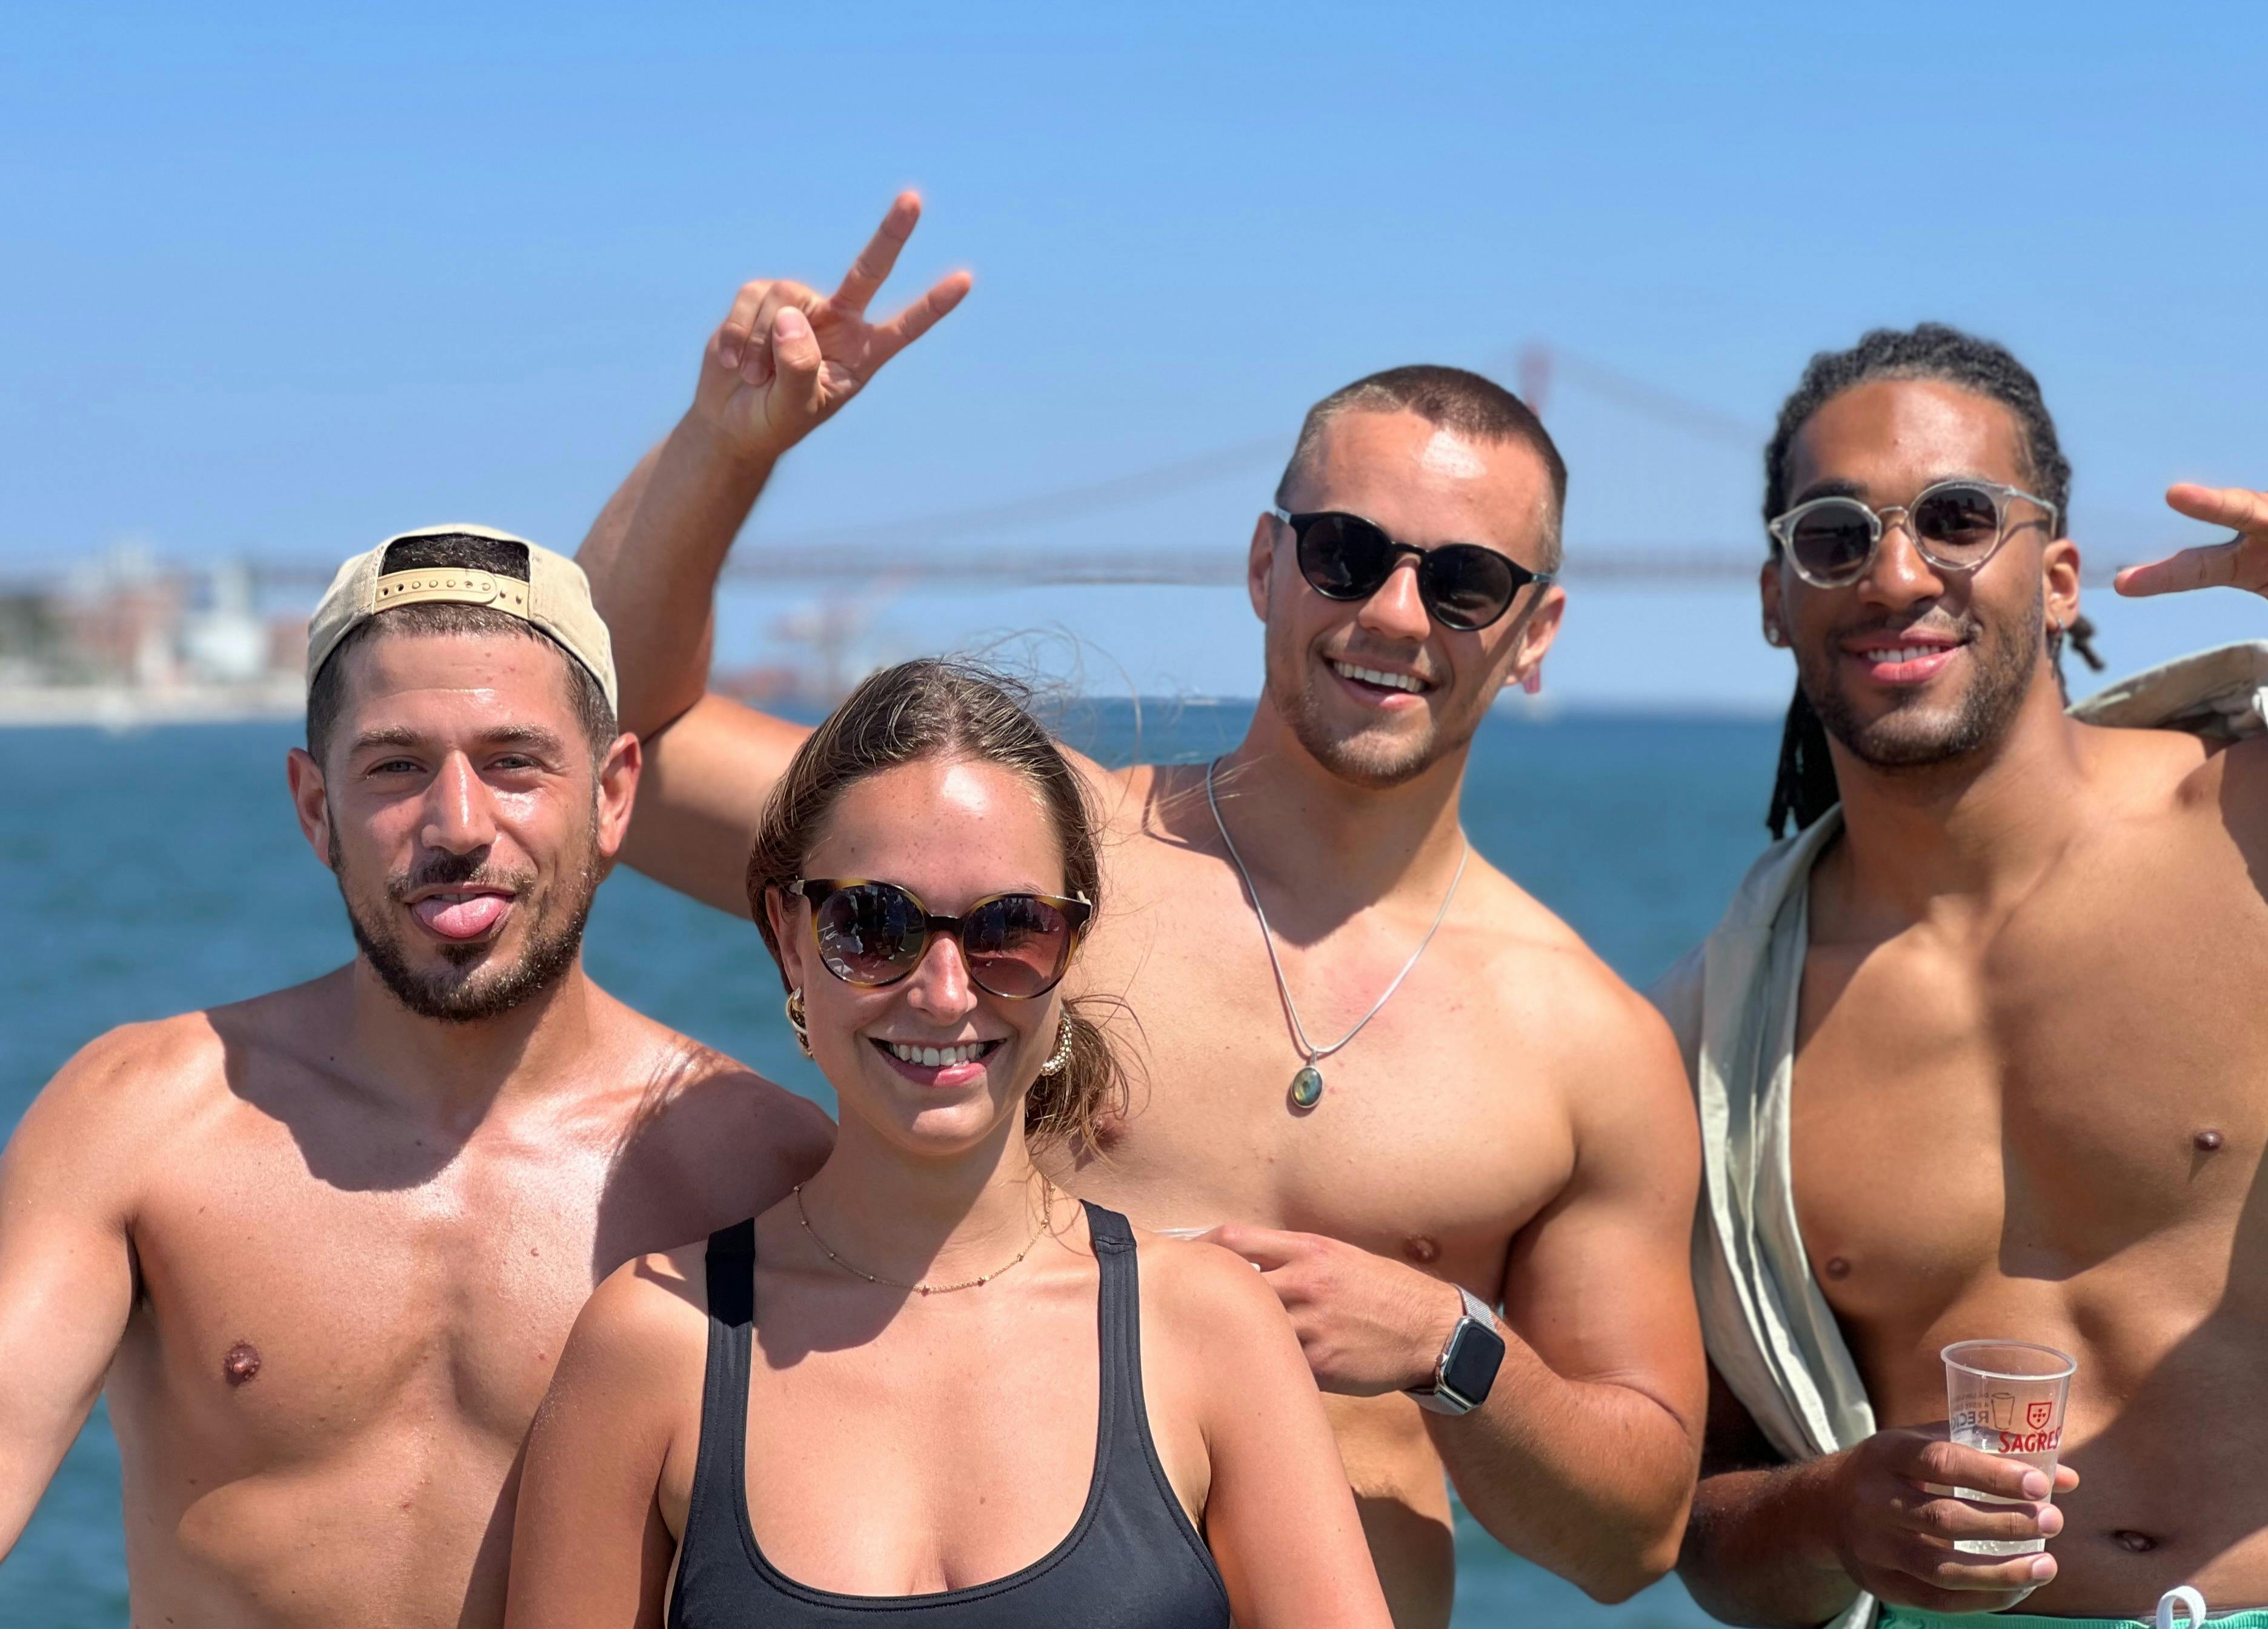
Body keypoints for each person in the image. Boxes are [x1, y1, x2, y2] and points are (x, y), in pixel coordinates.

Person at [569, 195, 1705, 1625]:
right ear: (1264, 566)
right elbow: (611, 747)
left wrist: (1450, 1343)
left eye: (1468, 581)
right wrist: (725, 453)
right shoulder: (1011, 883)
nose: (1400, 615)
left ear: (1534, 633)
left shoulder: (1584, 1044)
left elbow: (1637, 1536)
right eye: (1348, 553)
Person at [1663, 322, 2268, 1629]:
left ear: (2064, 574)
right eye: (1836, 534)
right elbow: (1689, 1513)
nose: (1898, 573)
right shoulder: (1718, 1035)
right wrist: (1835, 1513)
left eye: (1958, 517)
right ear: (1774, 595)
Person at [0, 527, 835, 1628]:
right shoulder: (144, 1120)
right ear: (314, 808)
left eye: (514, 763)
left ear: (614, 795)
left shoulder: (761, 1171)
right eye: (396, 767)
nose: (457, 824)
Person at [505, 657, 1394, 1628]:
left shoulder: (1210, 1334)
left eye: (1010, 928)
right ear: (791, 939)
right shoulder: (652, 1346)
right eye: (873, 925)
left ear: (1071, 950)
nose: (944, 991)